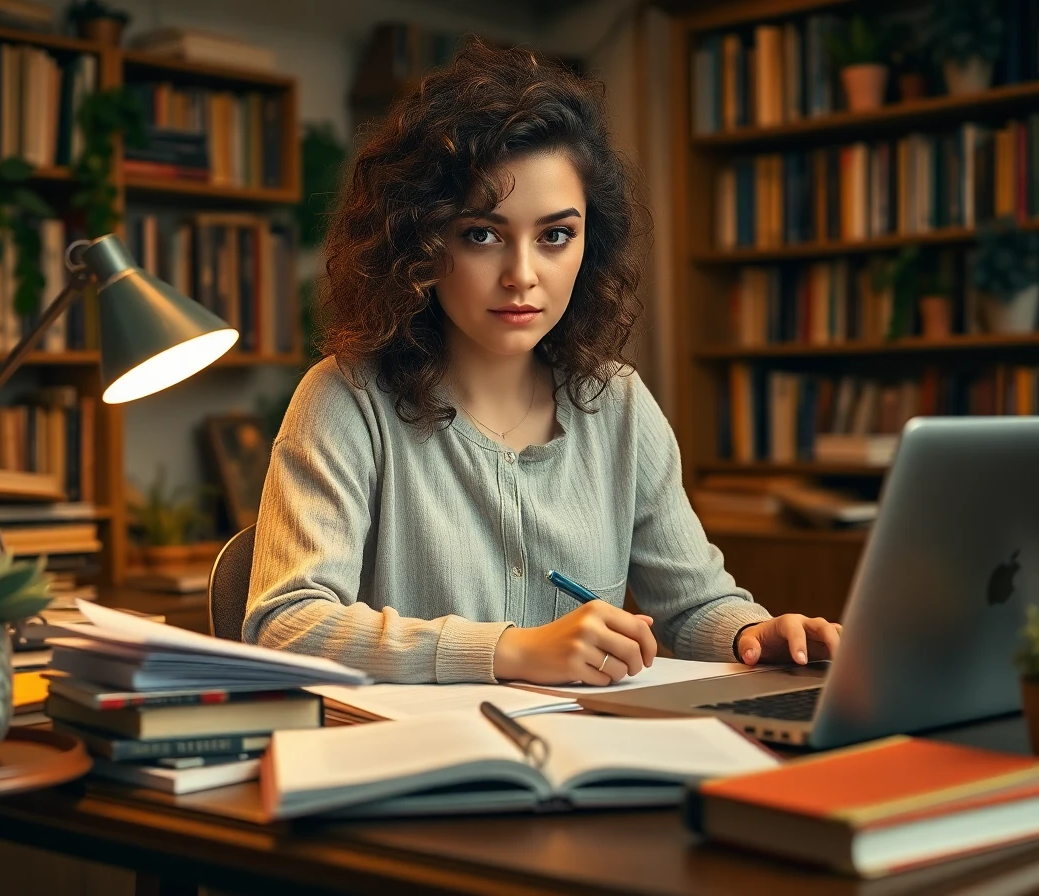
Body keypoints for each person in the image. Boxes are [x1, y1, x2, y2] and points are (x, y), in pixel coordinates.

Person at [243, 38, 841, 685]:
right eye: (482, 235)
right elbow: (287, 624)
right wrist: (511, 649)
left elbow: (695, 605)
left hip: (587, 764)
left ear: (591, 241)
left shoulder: (619, 404)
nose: (522, 276)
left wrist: (756, 635)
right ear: (421, 239)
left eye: (555, 235)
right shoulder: (345, 400)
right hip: (412, 768)